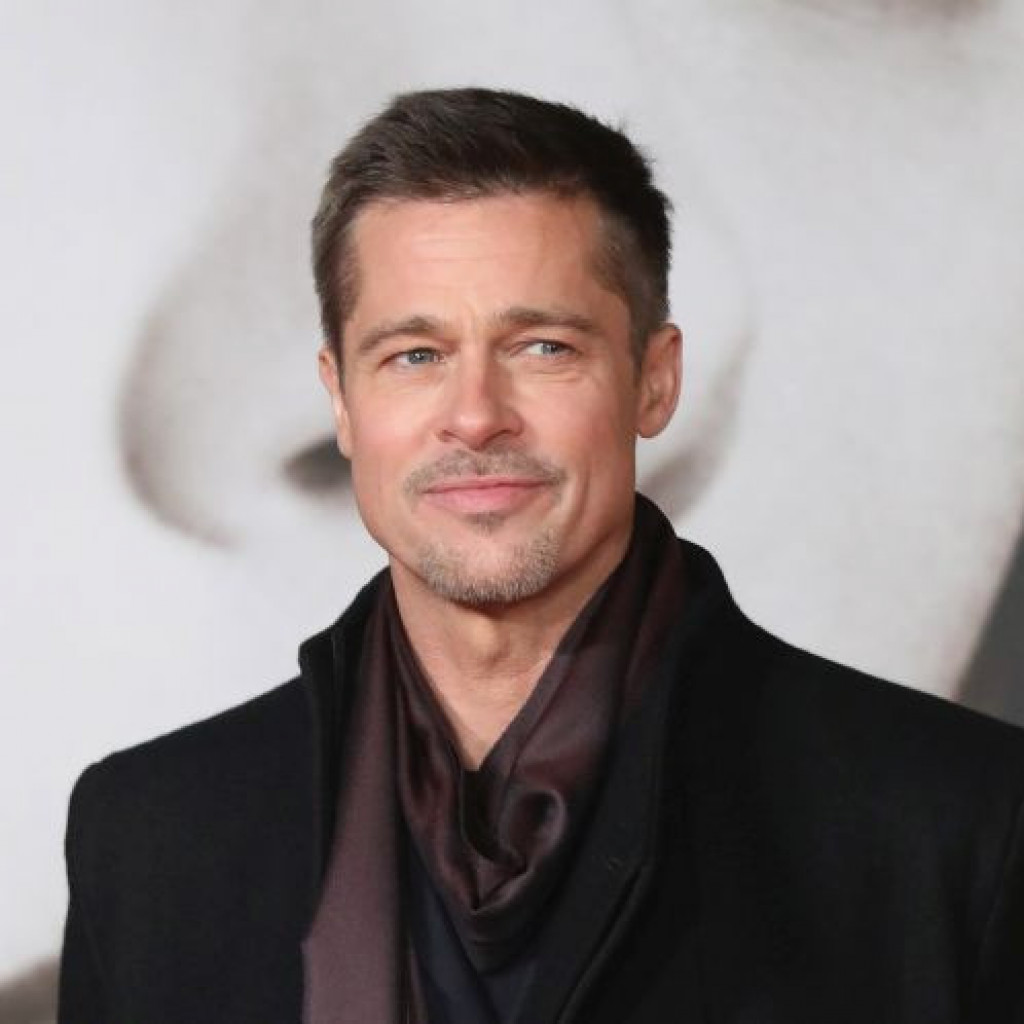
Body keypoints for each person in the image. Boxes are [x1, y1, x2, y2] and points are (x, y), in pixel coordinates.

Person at [58, 88, 1024, 1024]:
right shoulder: (148, 842)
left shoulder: (953, 824)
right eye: (415, 356)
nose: (476, 416)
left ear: (655, 381)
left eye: (544, 348)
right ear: (342, 401)